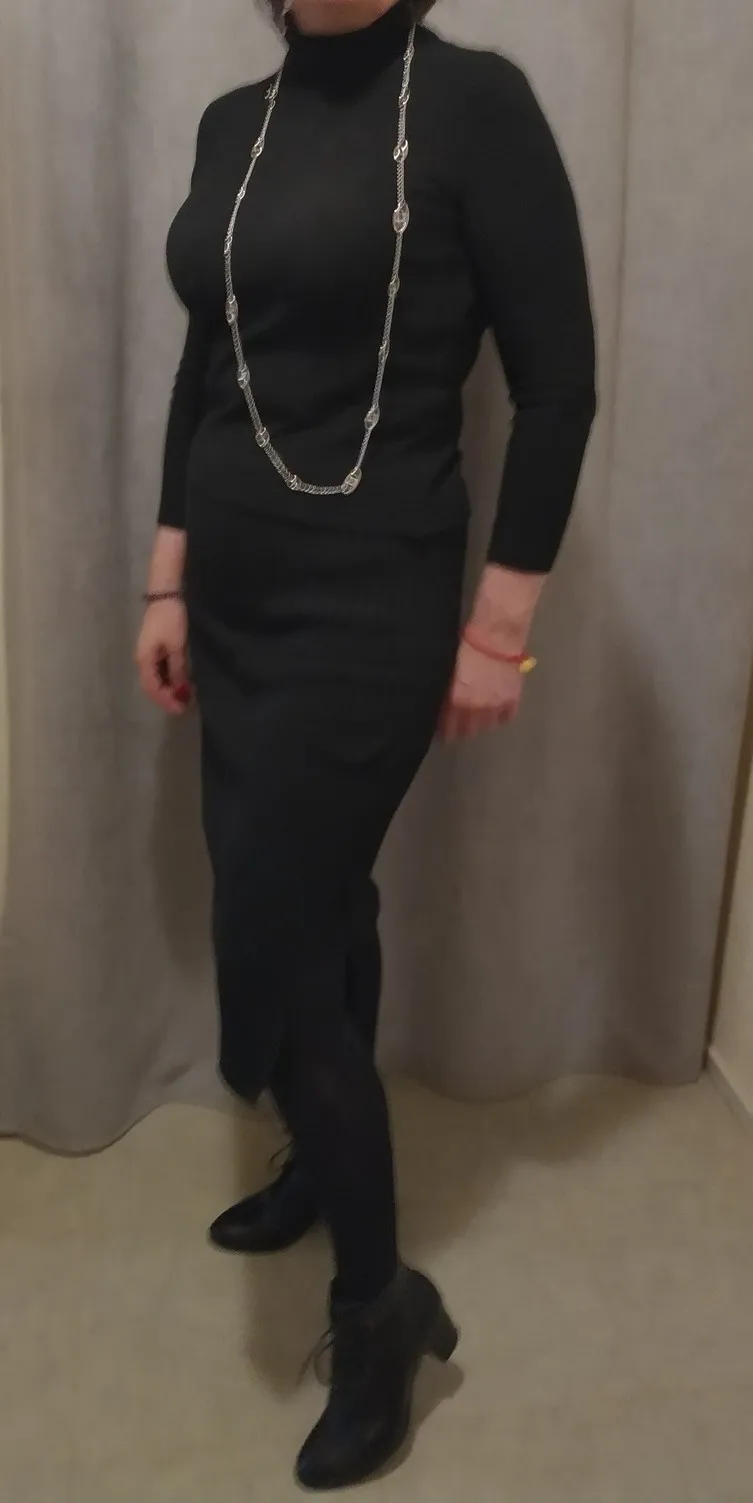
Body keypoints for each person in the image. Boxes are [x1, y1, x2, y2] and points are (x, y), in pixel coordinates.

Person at [135, 0, 596, 1488]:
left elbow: (558, 385)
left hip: (373, 605)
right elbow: (206, 362)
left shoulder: (473, 106)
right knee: (316, 908)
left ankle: (383, 1306)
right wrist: (166, 579)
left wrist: (499, 626)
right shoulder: (233, 125)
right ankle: (321, 1163)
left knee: (269, 944)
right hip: (232, 595)